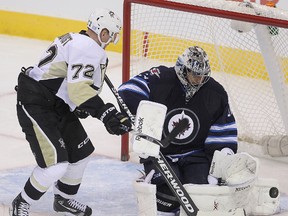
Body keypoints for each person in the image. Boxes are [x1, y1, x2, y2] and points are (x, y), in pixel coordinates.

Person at [10, 8, 131, 216]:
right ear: (102, 32)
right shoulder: (87, 48)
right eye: (111, 34)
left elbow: (69, 84)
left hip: (55, 101)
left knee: (81, 153)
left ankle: (63, 199)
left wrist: (81, 107)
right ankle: (21, 202)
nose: (112, 39)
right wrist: (106, 112)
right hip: (36, 103)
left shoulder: (78, 40)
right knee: (56, 166)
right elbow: (78, 91)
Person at [118, 46, 238, 215]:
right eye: (195, 74)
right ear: (182, 69)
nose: (199, 79)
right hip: (161, 153)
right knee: (168, 197)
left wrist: (219, 163)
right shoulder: (161, 78)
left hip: (195, 155)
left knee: (201, 195)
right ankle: (150, 182)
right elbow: (128, 90)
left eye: (203, 74)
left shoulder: (215, 93)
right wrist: (141, 121)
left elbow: (223, 130)